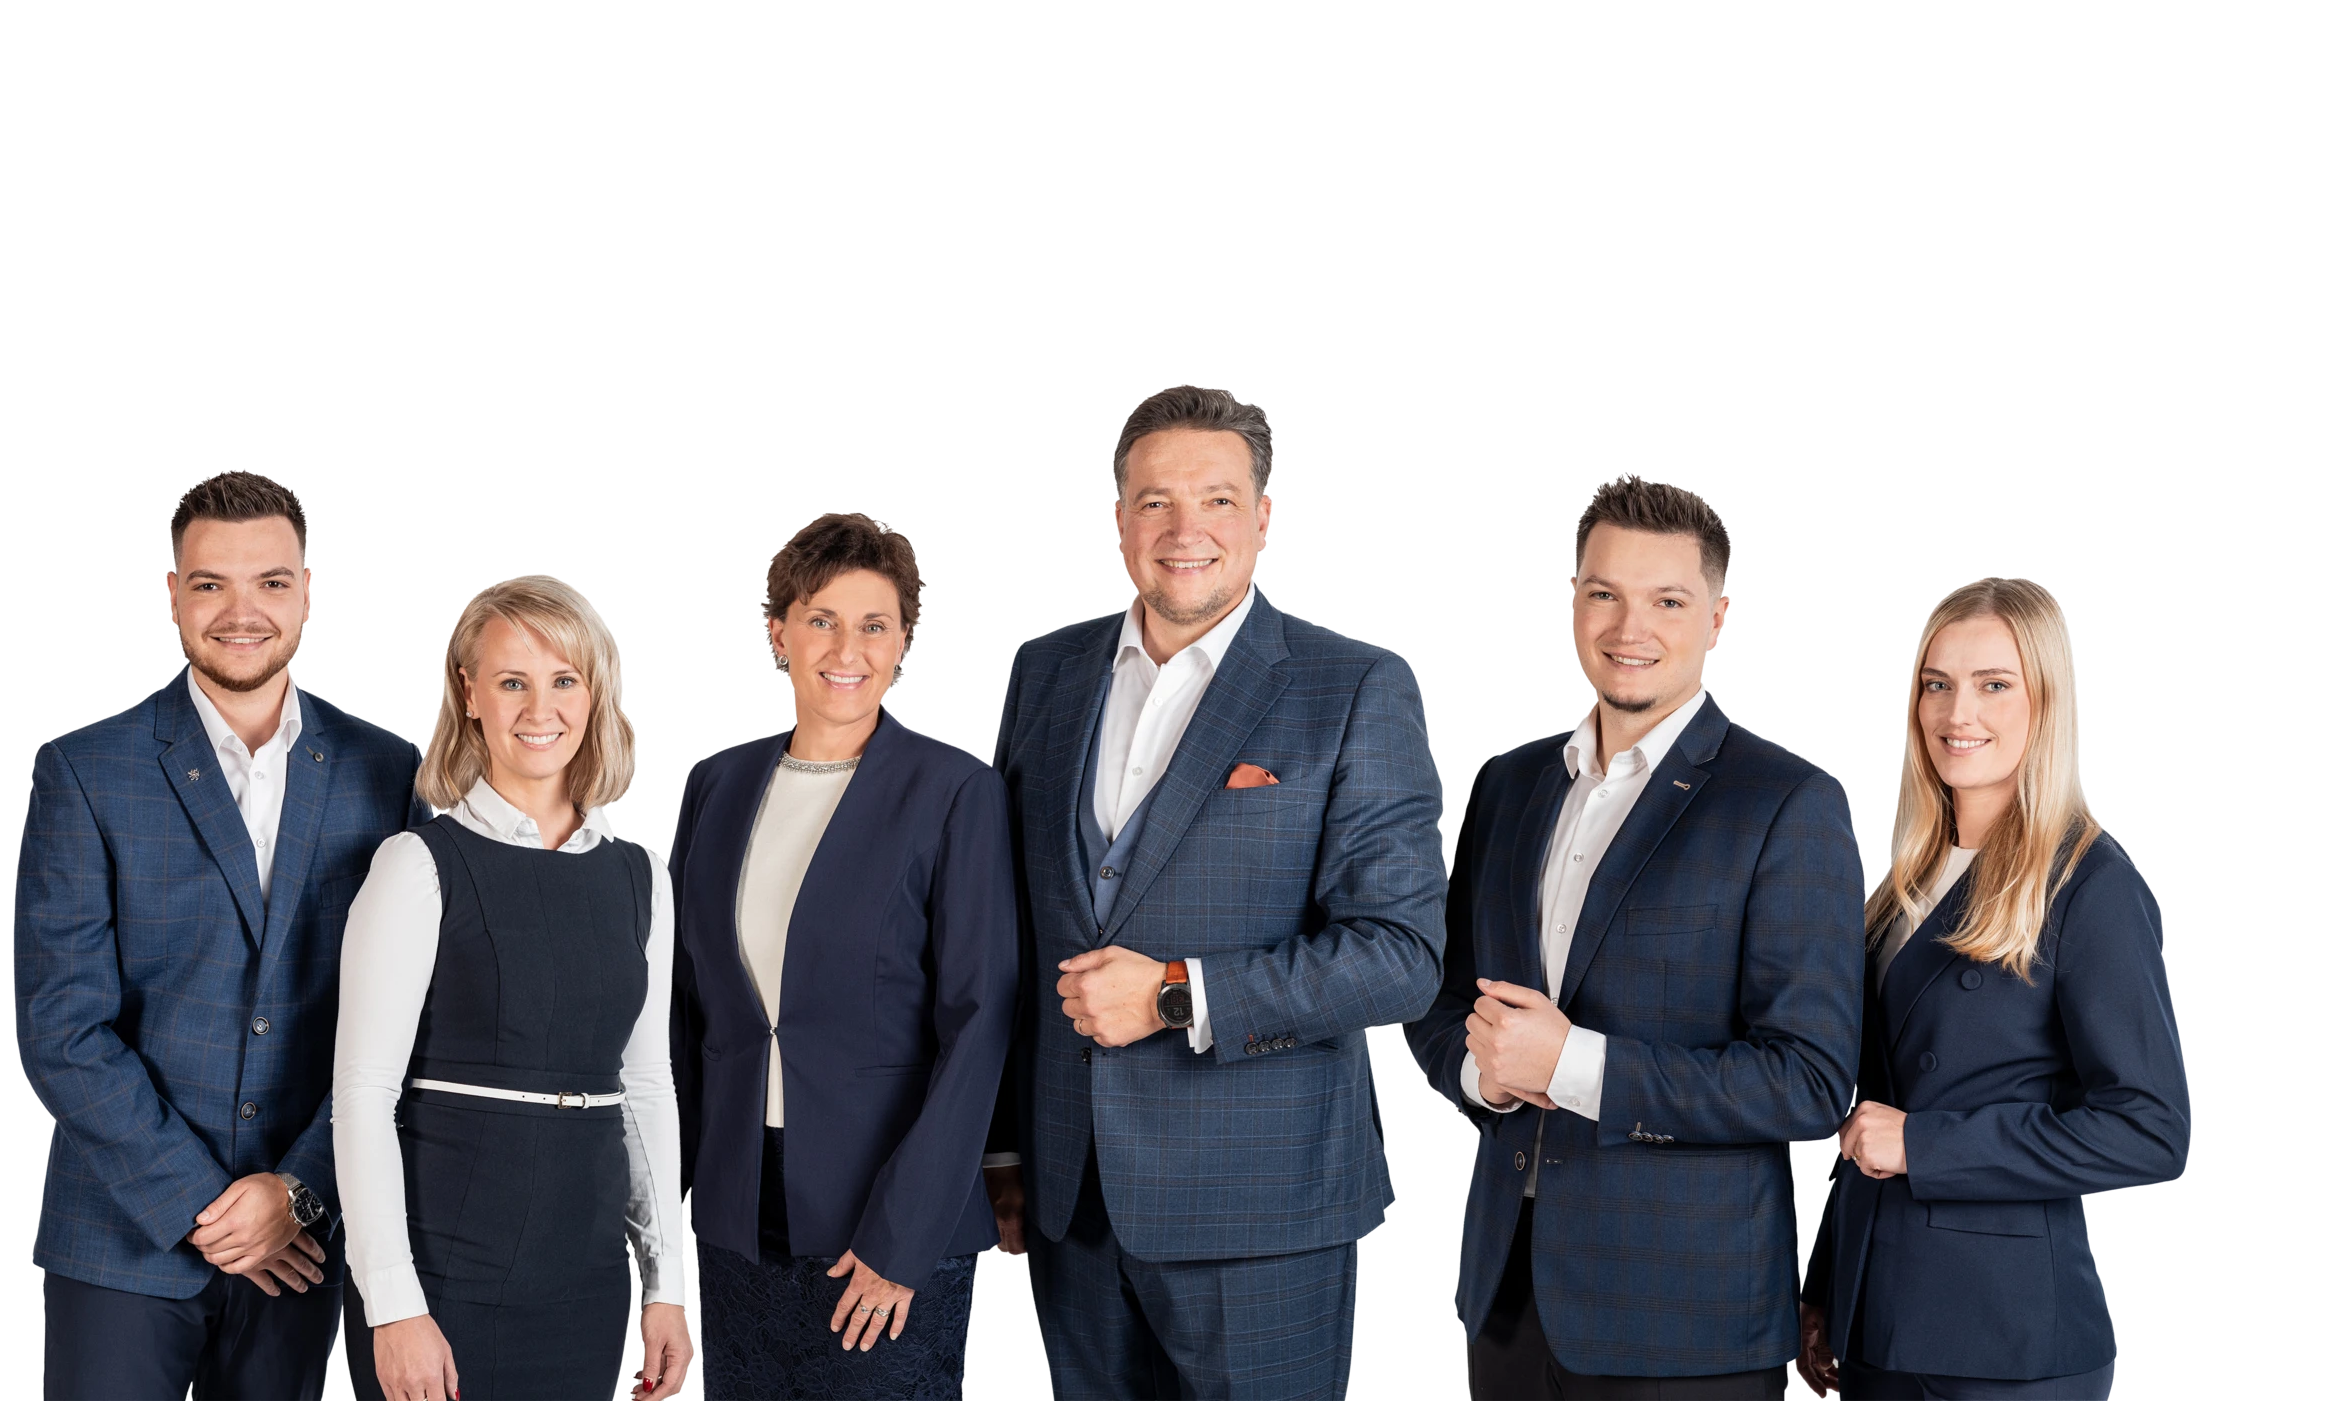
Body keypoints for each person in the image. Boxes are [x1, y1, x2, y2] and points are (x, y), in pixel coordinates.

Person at [981, 385, 1448, 1399]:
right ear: (1120, 519)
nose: (1183, 528)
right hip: (1070, 1199)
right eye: (1155, 500)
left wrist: (1173, 993)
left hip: (1259, 1208)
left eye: (1218, 500)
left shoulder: (1353, 686)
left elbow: (1400, 957)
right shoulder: (1046, 674)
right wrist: (1005, 1146)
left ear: (1263, 517)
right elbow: (1011, 924)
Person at [1409, 471, 1866, 1400]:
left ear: (1717, 617)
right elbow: (1443, 999)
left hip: (1685, 1317)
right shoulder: (1509, 785)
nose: (1630, 628)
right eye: (1604, 594)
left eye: (1667, 601)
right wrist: (1484, 1076)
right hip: (1508, 1295)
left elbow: (1810, 1082)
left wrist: (1574, 1063)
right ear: (1574, 604)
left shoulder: (1787, 803)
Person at [14, 469, 426, 1400]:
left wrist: (298, 1191)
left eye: (271, 582)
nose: (242, 612)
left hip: (301, 1243)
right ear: (172, 593)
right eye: (211, 583)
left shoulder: (390, 773)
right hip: (122, 1238)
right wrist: (202, 1204)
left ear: (306, 591)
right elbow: (62, 1027)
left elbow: (406, 1021)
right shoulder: (85, 772)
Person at [1796, 577, 2187, 1400]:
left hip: (2005, 1343)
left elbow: (2150, 1130)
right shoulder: (1906, 883)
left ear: (2044, 702)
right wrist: (1829, 1285)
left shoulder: (2089, 884)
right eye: (1937, 684)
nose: (1956, 712)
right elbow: (1879, 1112)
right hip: (1879, 1320)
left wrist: (1927, 1146)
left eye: (1994, 684)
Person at [668, 511, 1018, 1398]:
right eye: (821, 619)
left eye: (874, 624)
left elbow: (979, 1024)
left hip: (887, 1223)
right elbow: (684, 1004)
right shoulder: (716, 785)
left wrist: (903, 1238)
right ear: (778, 631)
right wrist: (665, 1210)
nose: (846, 649)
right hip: (738, 1212)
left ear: (903, 640)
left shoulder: (955, 792)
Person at [332, 575, 693, 1401]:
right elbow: (362, 1097)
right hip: (444, 1282)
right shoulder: (417, 866)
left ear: (594, 692)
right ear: (469, 694)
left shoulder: (641, 876)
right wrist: (394, 1306)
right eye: (511, 682)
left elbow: (646, 1088)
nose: (541, 709)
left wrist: (667, 1285)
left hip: (585, 1283)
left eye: (564, 680)